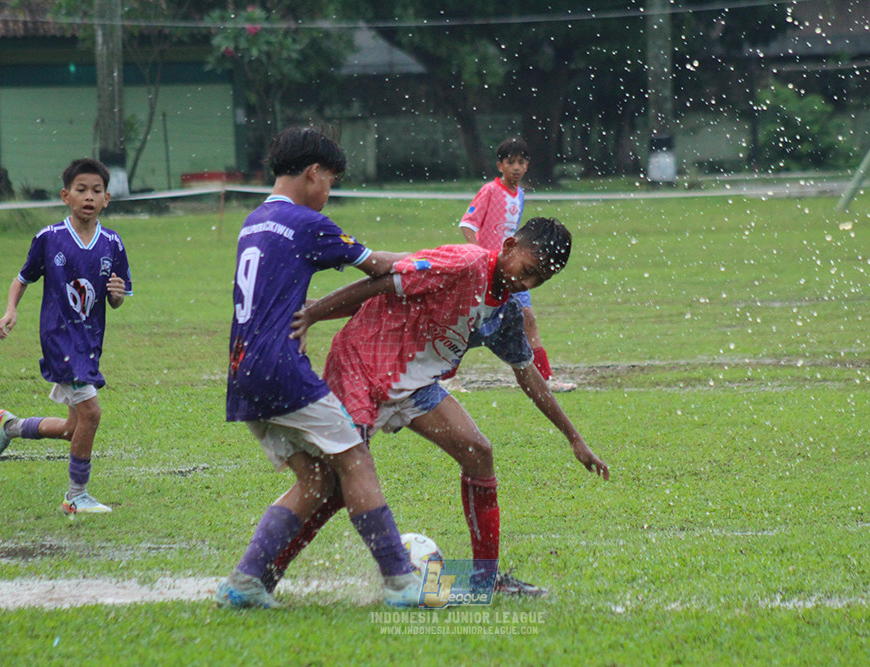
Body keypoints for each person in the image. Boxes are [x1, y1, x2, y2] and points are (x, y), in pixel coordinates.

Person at [270, 217, 610, 598]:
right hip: (363, 367)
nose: (526, 284)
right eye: (528, 271)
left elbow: (527, 374)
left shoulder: (505, 313)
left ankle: (485, 581)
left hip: (414, 385)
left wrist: (574, 439)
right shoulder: (464, 263)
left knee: (478, 452)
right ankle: (265, 573)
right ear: (510, 245)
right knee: (333, 487)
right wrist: (314, 314)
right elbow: (382, 283)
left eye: (539, 281)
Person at [215, 126, 423, 610]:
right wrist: (434, 260)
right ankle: (400, 581)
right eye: (329, 179)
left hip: (242, 372)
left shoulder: (255, 220)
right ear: (313, 173)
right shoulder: (309, 224)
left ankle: (246, 582)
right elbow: (380, 266)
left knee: (315, 481)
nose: (328, 192)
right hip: (280, 367)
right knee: (355, 460)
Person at [0, 158, 131, 515]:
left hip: (90, 342)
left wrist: (116, 295)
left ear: (107, 199)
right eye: (81, 190)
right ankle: (75, 496)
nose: (88, 196)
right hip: (58, 339)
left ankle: (10, 426)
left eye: (96, 191)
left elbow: (117, 298)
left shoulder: (113, 243)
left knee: (74, 427)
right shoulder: (49, 238)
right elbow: (22, 278)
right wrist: (11, 310)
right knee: (92, 415)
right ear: (66, 196)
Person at [458, 137, 577, 392]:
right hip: (490, 269)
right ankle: (446, 375)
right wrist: (479, 256)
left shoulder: (520, 195)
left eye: (521, 162)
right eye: (510, 162)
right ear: (499, 165)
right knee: (470, 322)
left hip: (517, 270)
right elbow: (467, 225)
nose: (516, 167)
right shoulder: (490, 190)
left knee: (528, 318)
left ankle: (545, 379)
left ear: (527, 166)